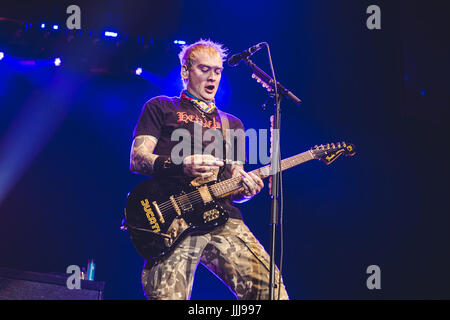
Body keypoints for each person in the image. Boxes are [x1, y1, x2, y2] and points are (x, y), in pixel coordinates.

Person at [129, 39, 288, 300]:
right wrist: (182, 164)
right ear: (185, 71)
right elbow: (138, 158)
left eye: (217, 70)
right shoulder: (161, 107)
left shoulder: (232, 124)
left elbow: (236, 182)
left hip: (223, 217)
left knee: (270, 290)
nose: (212, 77)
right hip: (173, 218)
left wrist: (247, 188)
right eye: (204, 69)